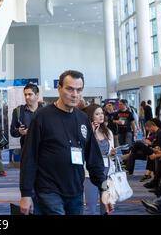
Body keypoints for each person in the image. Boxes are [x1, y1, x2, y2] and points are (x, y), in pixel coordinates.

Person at [19, 70, 112, 215]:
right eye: (69, 89)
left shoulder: (82, 119)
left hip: (75, 191)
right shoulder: (42, 117)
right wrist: (25, 193)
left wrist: (104, 188)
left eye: (78, 90)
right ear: (59, 88)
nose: (74, 94)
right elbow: (29, 156)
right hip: (48, 190)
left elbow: (94, 159)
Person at [83, 104, 116, 215]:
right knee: (90, 207)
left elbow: (110, 153)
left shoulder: (108, 132)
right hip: (91, 173)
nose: (101, 116)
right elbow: (83, 150)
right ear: (91, 116)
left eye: (102, 113)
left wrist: (112, 153)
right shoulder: (86, 131)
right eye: (97, 114)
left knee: (106, 205)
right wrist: (91, 132)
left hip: (107, 172)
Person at [10, 83, 40, 148]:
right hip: (26, 150)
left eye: (30, 94)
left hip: (43, 150)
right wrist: (20, 131)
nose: (27, 97)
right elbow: (12, 132)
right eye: (25, 95)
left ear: (37, 95)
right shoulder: (18, 111)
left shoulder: (45, 111)